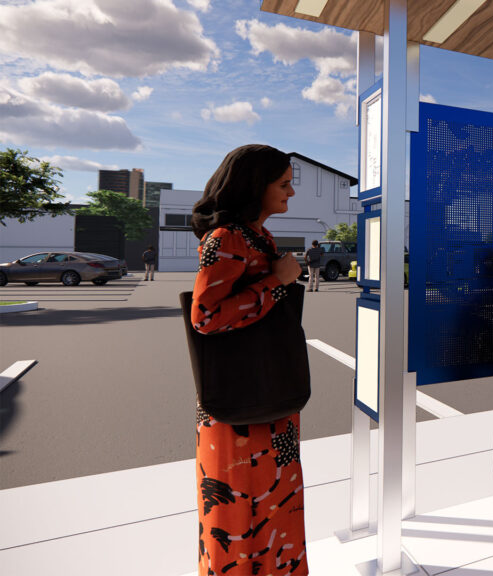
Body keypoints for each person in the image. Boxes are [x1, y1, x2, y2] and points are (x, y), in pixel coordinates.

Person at [190, 144, 307, 575]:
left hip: (268, 395)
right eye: (283, 184)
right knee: (238, 514)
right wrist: (277, 282)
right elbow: (205, 316)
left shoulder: (257, 235)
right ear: (254, 186)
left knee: (278, 508)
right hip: (238, 408)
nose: (290, 193)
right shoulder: (226, 239)